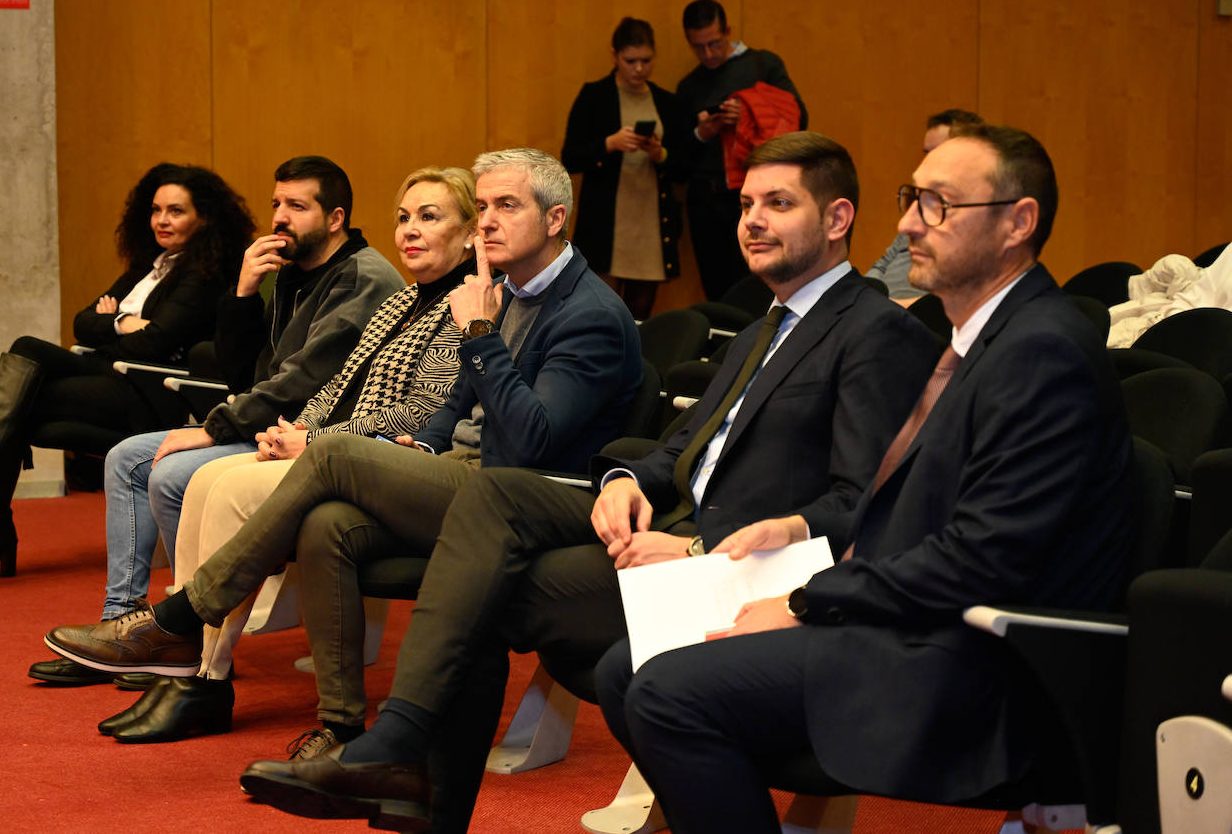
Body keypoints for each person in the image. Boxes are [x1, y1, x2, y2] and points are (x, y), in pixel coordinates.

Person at [227, 132, 942, 833]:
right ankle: (407, 778)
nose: (752, 220)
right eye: (747, 202)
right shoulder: (766, 327)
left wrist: (698, 550)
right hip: (664, 538)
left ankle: (396, 754)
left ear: (839, 219)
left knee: (486, 532)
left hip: (746, 573)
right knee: (476, 577)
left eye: (778, 204)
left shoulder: (873, 331)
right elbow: (681, 449)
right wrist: (629, 478)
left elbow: (859, 508)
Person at [595, 125, 1136, 833]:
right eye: (912, 198)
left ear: (1018, 223)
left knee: (668, 689)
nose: (909, 221)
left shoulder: (1041, 352)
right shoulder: (984, 340)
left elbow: (982, 558)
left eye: (939, 204)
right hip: (912, 620)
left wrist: (808, 599)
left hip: (974, 661)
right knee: (627, 667)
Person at [38, 149, 644, 763]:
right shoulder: (503, 291)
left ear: (555, 218)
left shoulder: (587, 312)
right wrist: (420, 446)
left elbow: (531, 440)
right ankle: (343, 728)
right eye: (483, 205)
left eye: (506, 206)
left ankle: (182, 617)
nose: (488, 221)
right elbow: (449, 408)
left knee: (334, 459)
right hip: (468, 476)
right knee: (330, 526)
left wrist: (479, 336)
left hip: (529, 496)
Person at [82, 166, 478, 742]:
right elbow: (334, 385)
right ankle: (187, 663)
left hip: (388, 461)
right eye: (403, 217)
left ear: (470, 233)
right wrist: (293, 430)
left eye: (429, 217)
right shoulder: (402, 302)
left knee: (226, 486)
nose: (410, 231)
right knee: (202, 483)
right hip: (326, 443)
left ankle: (201, 671)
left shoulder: (466, 307)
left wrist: (308, 441)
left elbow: (424, 414)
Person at [26, 155, 403, 686]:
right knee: (125, 458)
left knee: (171, 473)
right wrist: (244, 292)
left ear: (335, 217)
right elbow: (241, 372)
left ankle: (185, 632)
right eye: (277, 203)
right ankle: (121, 623)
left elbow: (299, 379)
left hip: (307, 438)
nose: (280, 217)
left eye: (297, 206)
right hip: (267, 424)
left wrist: (213, 428)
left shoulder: (361, 277)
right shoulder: (287, 272)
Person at [0, 163, 255, 584]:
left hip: (147, 391)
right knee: (25, 354)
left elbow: (155, 344)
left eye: (176, 211)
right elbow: (83, 321)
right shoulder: (151, 266)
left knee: (20, 404)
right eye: (156, 210)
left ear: (204, 217)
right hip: (111, 371)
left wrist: (113, 326)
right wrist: (118, 325)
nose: (162, 221)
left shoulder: (203, 275)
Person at [676, 0, 807, 301]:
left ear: (728, 32)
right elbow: (678, 160)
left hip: (758, 198)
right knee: (717, 292)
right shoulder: (689, 86)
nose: (708, 53)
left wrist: (748, 113)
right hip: (706, 201)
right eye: (698, 47)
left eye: (715, 43)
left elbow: (796, 116)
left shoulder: (763, 65)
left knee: (761, 287)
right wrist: (701, 132)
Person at [562, 16, 685, 319]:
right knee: (598, 308)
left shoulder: (666, 102)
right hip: (607, 222)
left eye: (646, 60)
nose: (639, 69)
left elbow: (685, 165)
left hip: (652, 221)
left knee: (640, 312)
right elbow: (570, 157)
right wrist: (610, 144)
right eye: (631, 61)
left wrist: (661, 153)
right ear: (615, 56)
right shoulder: (595, 95)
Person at [868, 108, 984, 302]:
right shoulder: (918, 213)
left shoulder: (972, 218)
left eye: (937, 152)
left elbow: (957, 294)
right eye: (926, 153)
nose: (927, 161)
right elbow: (882, 265)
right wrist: (865, 299)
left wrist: (890, 308)